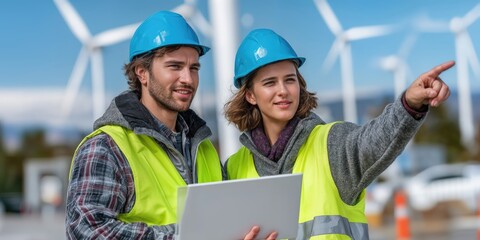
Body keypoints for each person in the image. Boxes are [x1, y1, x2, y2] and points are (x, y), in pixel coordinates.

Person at [224, 28, 454, 240]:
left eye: (290, 80)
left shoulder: (332, 144)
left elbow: (374, 141)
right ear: (250, 95)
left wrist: (409, 105)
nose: (283, 91)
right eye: (270, 83)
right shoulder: (233, 169)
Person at [65, 11, 275, 240]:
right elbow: (86, 231)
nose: (188, 78)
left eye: (194, 68)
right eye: (175, 66)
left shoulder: (204, 148)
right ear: (142, 73)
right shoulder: (106, 148)